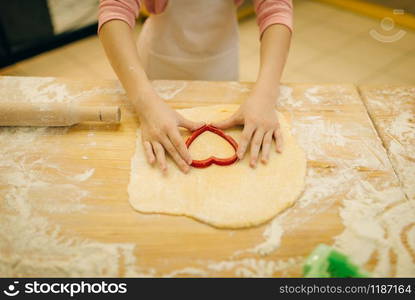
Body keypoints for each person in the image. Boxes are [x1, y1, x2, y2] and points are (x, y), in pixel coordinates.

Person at [98, 0, 293, 173]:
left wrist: (265, 94)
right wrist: (145, 103)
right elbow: (115, 8)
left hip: (222, 65)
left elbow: (275, 8)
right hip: (158, 70)